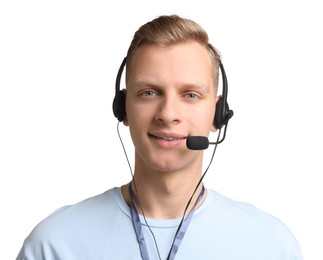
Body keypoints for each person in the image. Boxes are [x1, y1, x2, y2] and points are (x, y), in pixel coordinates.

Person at [17, 14, 303, 260]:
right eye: (149, 93)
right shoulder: (54, 244)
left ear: (218, 113)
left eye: (190, 95)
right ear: (123, 108)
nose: (168, 114)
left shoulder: (270, 245)